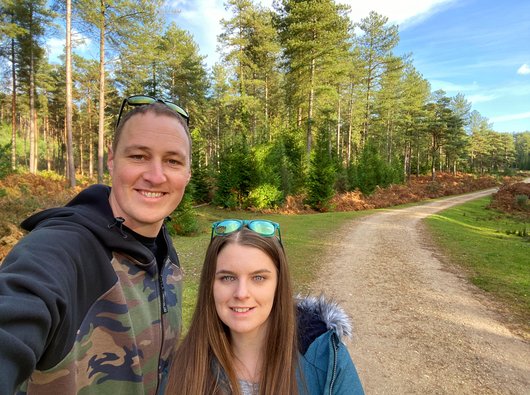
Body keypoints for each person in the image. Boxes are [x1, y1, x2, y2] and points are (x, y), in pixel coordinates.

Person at [0, 95, 191, 394]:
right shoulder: (66, 247)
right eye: (139, 156)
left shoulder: (165, 251)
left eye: (172, 160)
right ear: (112, 160)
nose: (156, 176)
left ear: (188, 173)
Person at [167, 219, 364, 395]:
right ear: (210, 285)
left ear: (279, 285)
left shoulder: (325, 356)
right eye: (227, 277)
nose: (242, 293)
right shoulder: (184, 365)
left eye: (258, 278)